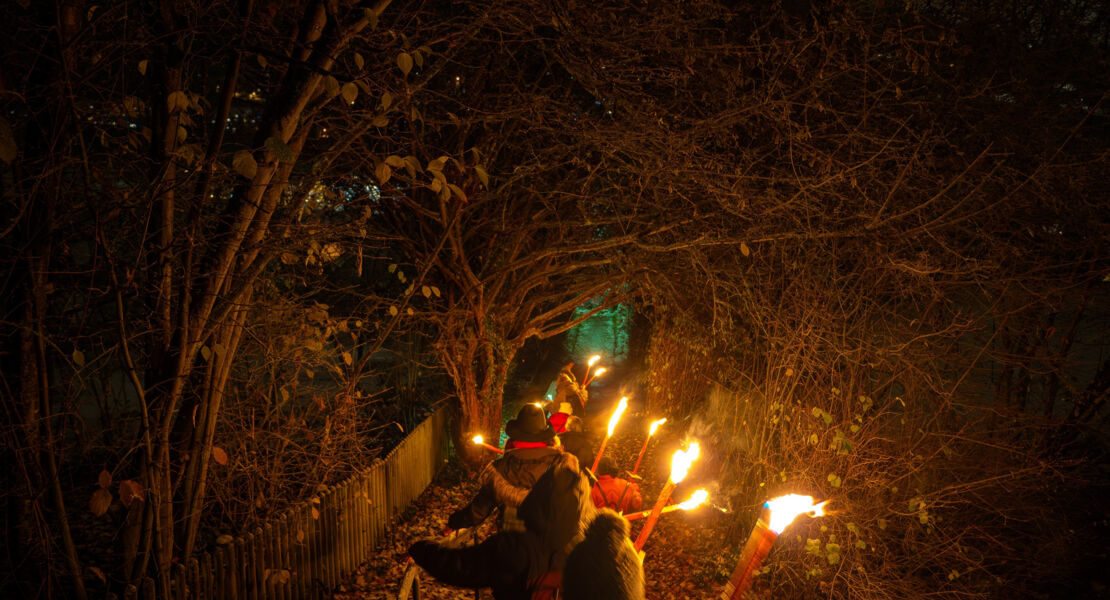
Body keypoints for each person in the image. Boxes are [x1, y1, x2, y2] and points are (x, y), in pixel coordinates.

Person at [409, 454, 644, 600]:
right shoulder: (592, 551)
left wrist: (420, 548)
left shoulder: (511, 547)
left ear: (536, 499)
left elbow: (458, 566)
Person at [448, 404, 563, 533]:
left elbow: (478, 511)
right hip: (549, 542)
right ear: (548, 437)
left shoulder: (500, 469)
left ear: (515, 434)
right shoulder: (561, 464)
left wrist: (454, 521)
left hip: (510, 541)